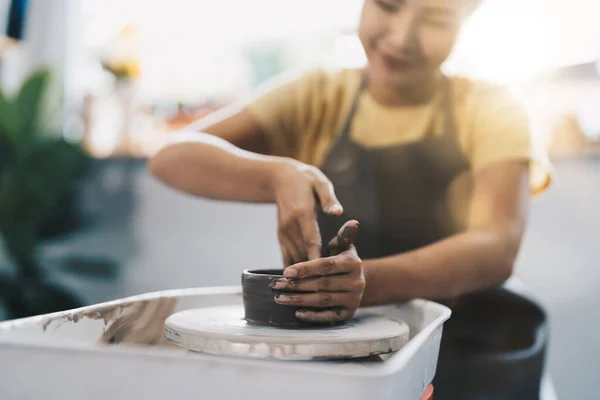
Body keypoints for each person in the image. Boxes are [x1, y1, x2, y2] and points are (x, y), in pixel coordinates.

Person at [150, 0, 551, 398]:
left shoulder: (491, 107)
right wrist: (276, 175)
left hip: (477, 354)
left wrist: (366, 283)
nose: (401, 38)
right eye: (388, 6)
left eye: (435, 18)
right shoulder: (320, 97)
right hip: (351, 361)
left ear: (467, 19)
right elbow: (172, 158)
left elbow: (497, 247)